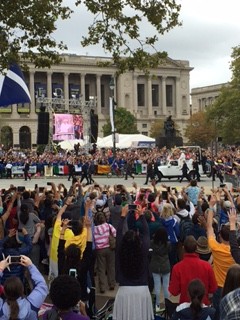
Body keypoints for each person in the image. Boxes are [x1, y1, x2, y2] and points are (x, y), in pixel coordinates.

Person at [113, 205, 154, 320]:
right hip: (142, 290)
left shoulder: (121, 249)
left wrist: (122, 216)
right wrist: (141, 216)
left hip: (124, 291)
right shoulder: (143, 249)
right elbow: (146, 233)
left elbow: (119, 235)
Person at [206, 197, 235, 320]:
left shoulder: (215, 248)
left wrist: (211, 207)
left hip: (219, 287)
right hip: (234, 285)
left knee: (218, 314)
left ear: (220, 237)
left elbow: (209, 227)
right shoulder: (236, 251)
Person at [168, 236, 217, 306]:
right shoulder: (207, 266)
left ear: (183, 248)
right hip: (203, 305)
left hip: (185, 306)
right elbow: (213, 288)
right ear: (196, 248)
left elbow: (174, 291)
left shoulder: (177, 268)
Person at [0, 255, 48, 320]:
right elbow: (42, 285)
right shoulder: (32, 304)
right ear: (22, 290)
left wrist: (1, 268)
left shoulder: (1, 309)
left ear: (4, 291)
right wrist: (30, 266)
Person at [150, 227, 170, 313]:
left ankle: (158, 306)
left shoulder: (152, 243)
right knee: (166, 287)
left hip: (155, 266)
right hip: (165, 266)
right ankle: (167, 306)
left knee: (157, 288)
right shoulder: (168, 244)